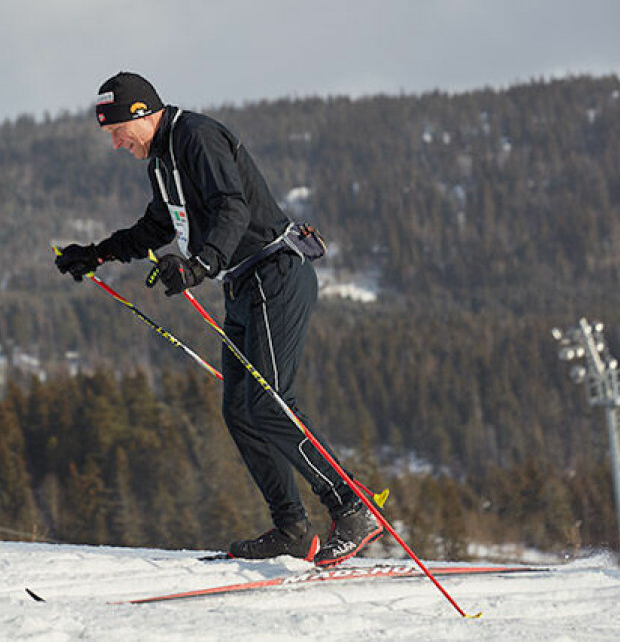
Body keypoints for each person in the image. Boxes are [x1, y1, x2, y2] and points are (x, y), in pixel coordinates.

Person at [55, 71, 382, 565]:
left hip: (275, 273)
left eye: (118, 131)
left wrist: (198, 266)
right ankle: (292, 529)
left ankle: (352, 506)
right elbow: (157, 226)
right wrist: (96, 254)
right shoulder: (162, 161)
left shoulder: (195, 137)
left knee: (269, 401)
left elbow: (231, 209)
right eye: (109, 136)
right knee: (240, 409)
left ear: (142, 114)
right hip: (242, 286)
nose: (117, 144)